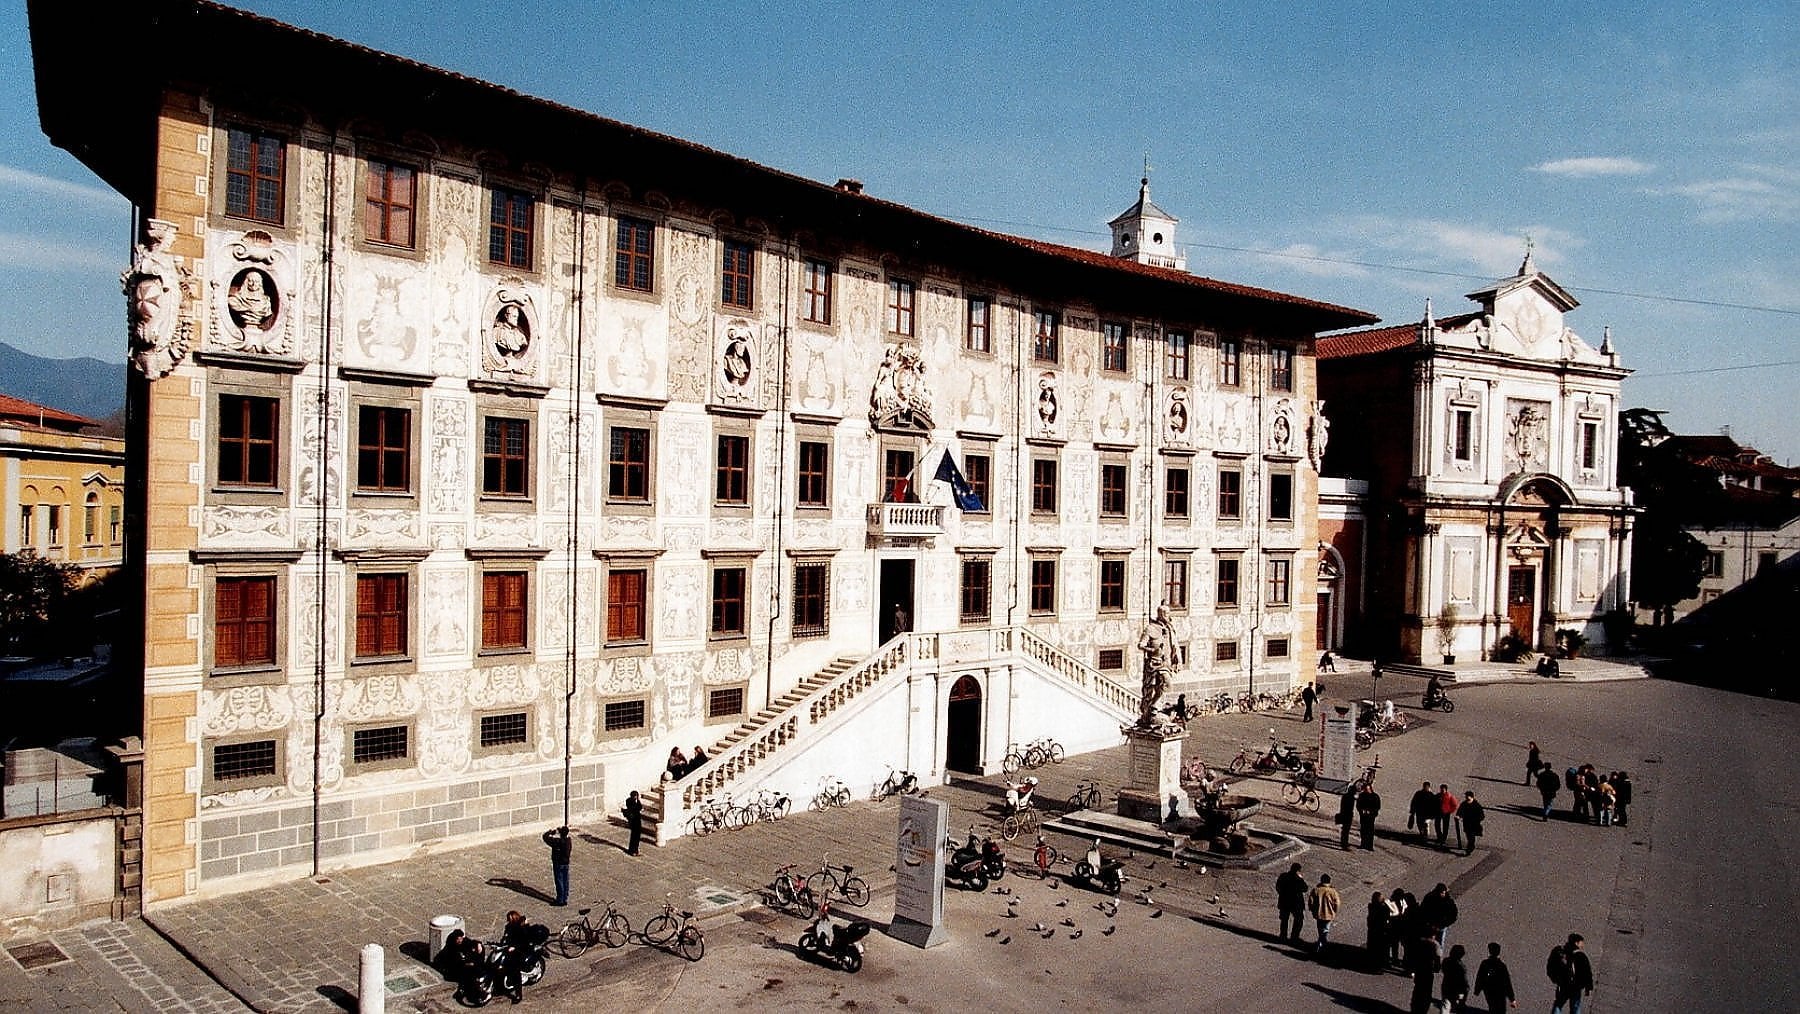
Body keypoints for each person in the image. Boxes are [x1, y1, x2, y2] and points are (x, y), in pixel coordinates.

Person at [1549, 933, 1594, 1014]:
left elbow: (1551, 966)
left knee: (1558, 1004)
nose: (1582, 944)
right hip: (1576, 987)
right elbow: (1587, 973)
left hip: (1563, 985)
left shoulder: (1562, 953)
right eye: (1581, 942)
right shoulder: (1581, 956)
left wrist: (1555, 979)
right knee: (1575, 1007)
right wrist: (1588, 986)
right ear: (1576, 943)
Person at [1406, 923, 1442, 1014]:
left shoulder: (1419, 941)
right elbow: (1438, 960)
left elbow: (1411, 954)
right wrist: (1437, 968)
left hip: (1419, 968)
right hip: (1428, 970)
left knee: (1417, 989)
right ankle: (1423, 1009)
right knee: (1426, 991)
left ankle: (1414, 1008)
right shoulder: (1435, 945)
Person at [1473, 941, 1517, 1012]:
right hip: (1500, 993)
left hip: (1489, 991)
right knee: (1501, 1009)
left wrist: (1477, 989)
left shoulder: (1485, 963)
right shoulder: (1501, 966)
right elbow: (1507, 982)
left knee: (1492, 1007)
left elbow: (1480, 977)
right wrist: (1512, 999)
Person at [1307, 873, 1341, 953]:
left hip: (1318, 914)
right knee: (1325, 929)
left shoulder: (1316, 890)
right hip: (1329, 915)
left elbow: (1310, 902)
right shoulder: (1332, 891)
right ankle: (1321, 944)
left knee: (1320, 929)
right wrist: (1334, 911)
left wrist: (1313, 910)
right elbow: (1337, 903)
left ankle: (1321, 943)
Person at [1275, 863, 1308, 944]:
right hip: (1296, 903)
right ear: (1298, 870)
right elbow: (1305, 888)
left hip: (1284, 902)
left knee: (1284, 920)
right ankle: (1294, 937)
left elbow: (1278, 887)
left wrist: (1282, 894)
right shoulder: (1298, 878)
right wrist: (1301, 878)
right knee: (1298, 920)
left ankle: (1283, 936)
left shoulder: (1283, 876)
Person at [1419, 883, 1457, 951]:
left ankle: (1437, 957)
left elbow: (1453, 915)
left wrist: (1445, 924)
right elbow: (1423, 911)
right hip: (1430, 926)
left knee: (1439, 945)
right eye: (1441, 892)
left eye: (1443, 892)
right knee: (1428, 944)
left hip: (1440, 927)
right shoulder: (1430, 898)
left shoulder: (1448, 901)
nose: (1442, 894)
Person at [542, 825, 571, 906]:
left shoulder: (557, 842)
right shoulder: (568, 841)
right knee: (565, 881)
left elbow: (545, 837)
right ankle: (565, 898)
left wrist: (551, 832)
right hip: (566, 863)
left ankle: (560, 900)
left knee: (559, 881)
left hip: (558, 863)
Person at [1365, 891, 1391, 970]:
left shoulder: (1371, 907)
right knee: (1383, 949)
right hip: (1381, 932)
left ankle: (1372, 962)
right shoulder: (1383, 909)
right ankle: (1383, 964)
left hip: (1372, 931)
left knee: (1373, 948)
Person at [1356, 782, 1382, 850]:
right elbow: (1358, 805)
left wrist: (1371, 812)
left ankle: (1369, 845)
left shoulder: (1375, 796)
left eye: (1367, 789)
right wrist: (1362, 811)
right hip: (1363, 816)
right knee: (1363, 830)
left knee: (1370, 831)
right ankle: (1363, 844)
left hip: (1371, 816)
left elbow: (1377, 806)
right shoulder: (1362, 796)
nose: (1366, 790)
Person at [1459, 791, 1485, 856]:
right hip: (1466, 824)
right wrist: (1459, 816)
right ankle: (1471, 846)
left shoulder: (1476, 805)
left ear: (1471, 797)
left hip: (1474, 825)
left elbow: (1482, 815)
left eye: (1467, 796)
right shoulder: (1464, 804)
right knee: (1468, 836)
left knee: (1471, 837)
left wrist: (1477, 819)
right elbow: (1460, 811)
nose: (1466, 798)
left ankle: (1469, 850)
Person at [1435, 783, 1459, 848]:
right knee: (1437, 825)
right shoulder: (1438, 796)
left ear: (1446, 790)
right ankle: (1439, 837)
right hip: (1438, 813)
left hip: (1446, 814)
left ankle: (1443, 838)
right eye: (1441, 789)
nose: (1442, 791)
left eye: (1443, 790)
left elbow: (1455, 805)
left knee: (1445, 826)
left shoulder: (1449, 796)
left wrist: (1450, 811)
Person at [1336, 785, 1358, 849]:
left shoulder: (1345, 796)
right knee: (1346, 830)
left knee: (1345, 830)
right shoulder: (1350, 797)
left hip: (1345, 814)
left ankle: (1344, 843)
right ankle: (1344, 844)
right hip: (1347, 815)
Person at [623, 790, 643, 856]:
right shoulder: (629, 801)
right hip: (634, 820)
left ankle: (636, 850)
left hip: (638, 820)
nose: (636, 797)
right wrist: (637, 807)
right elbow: (635, 809)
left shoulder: (637, 801)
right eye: (635, 796)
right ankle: (632, 850)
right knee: (634, 836)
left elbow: (640, 807)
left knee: (637, 837)